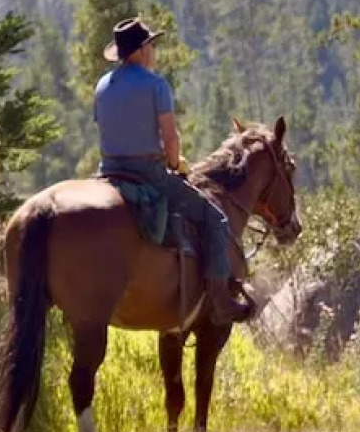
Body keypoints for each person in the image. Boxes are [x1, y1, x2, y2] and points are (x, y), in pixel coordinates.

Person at [93, 17, 252, 325]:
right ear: (140, 51)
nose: (154, 50)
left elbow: (107, 128)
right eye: (151, 44)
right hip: (148, 173)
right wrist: (174, 161)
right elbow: (170, 138)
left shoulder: (102, 86)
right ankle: (220, 300)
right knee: (215, 219)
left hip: (108, 172)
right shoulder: (155, 85)